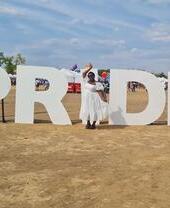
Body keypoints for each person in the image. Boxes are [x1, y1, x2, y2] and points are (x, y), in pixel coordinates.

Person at [80, 64, 108, 129]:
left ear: (94, 76)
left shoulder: (97, 83)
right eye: (89, 76)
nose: (90, 77)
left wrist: (104, 99)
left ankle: (93, 124)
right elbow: (84, 73)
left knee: (95, 110)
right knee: (87, 110)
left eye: (92, 75)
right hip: (86, 98)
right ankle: (88, 123)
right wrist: (90, 68)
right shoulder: (86, 80)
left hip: (94, 98)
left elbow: (100, 91)